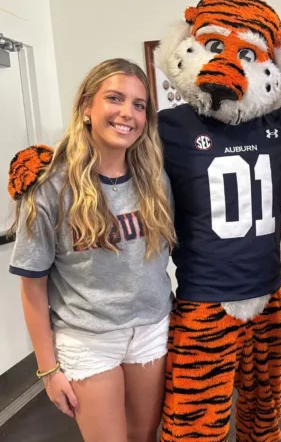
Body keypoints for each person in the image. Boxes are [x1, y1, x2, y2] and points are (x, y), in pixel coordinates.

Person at [8, 59, 176, 442]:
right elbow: (32, 286)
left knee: (144, 435)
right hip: (88, 337)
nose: (127, 113)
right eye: (114, 98)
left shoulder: (155, 179)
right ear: (87, 106)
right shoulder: (50, 185)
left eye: (138, 105)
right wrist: (48, 370)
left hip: (151, 329)